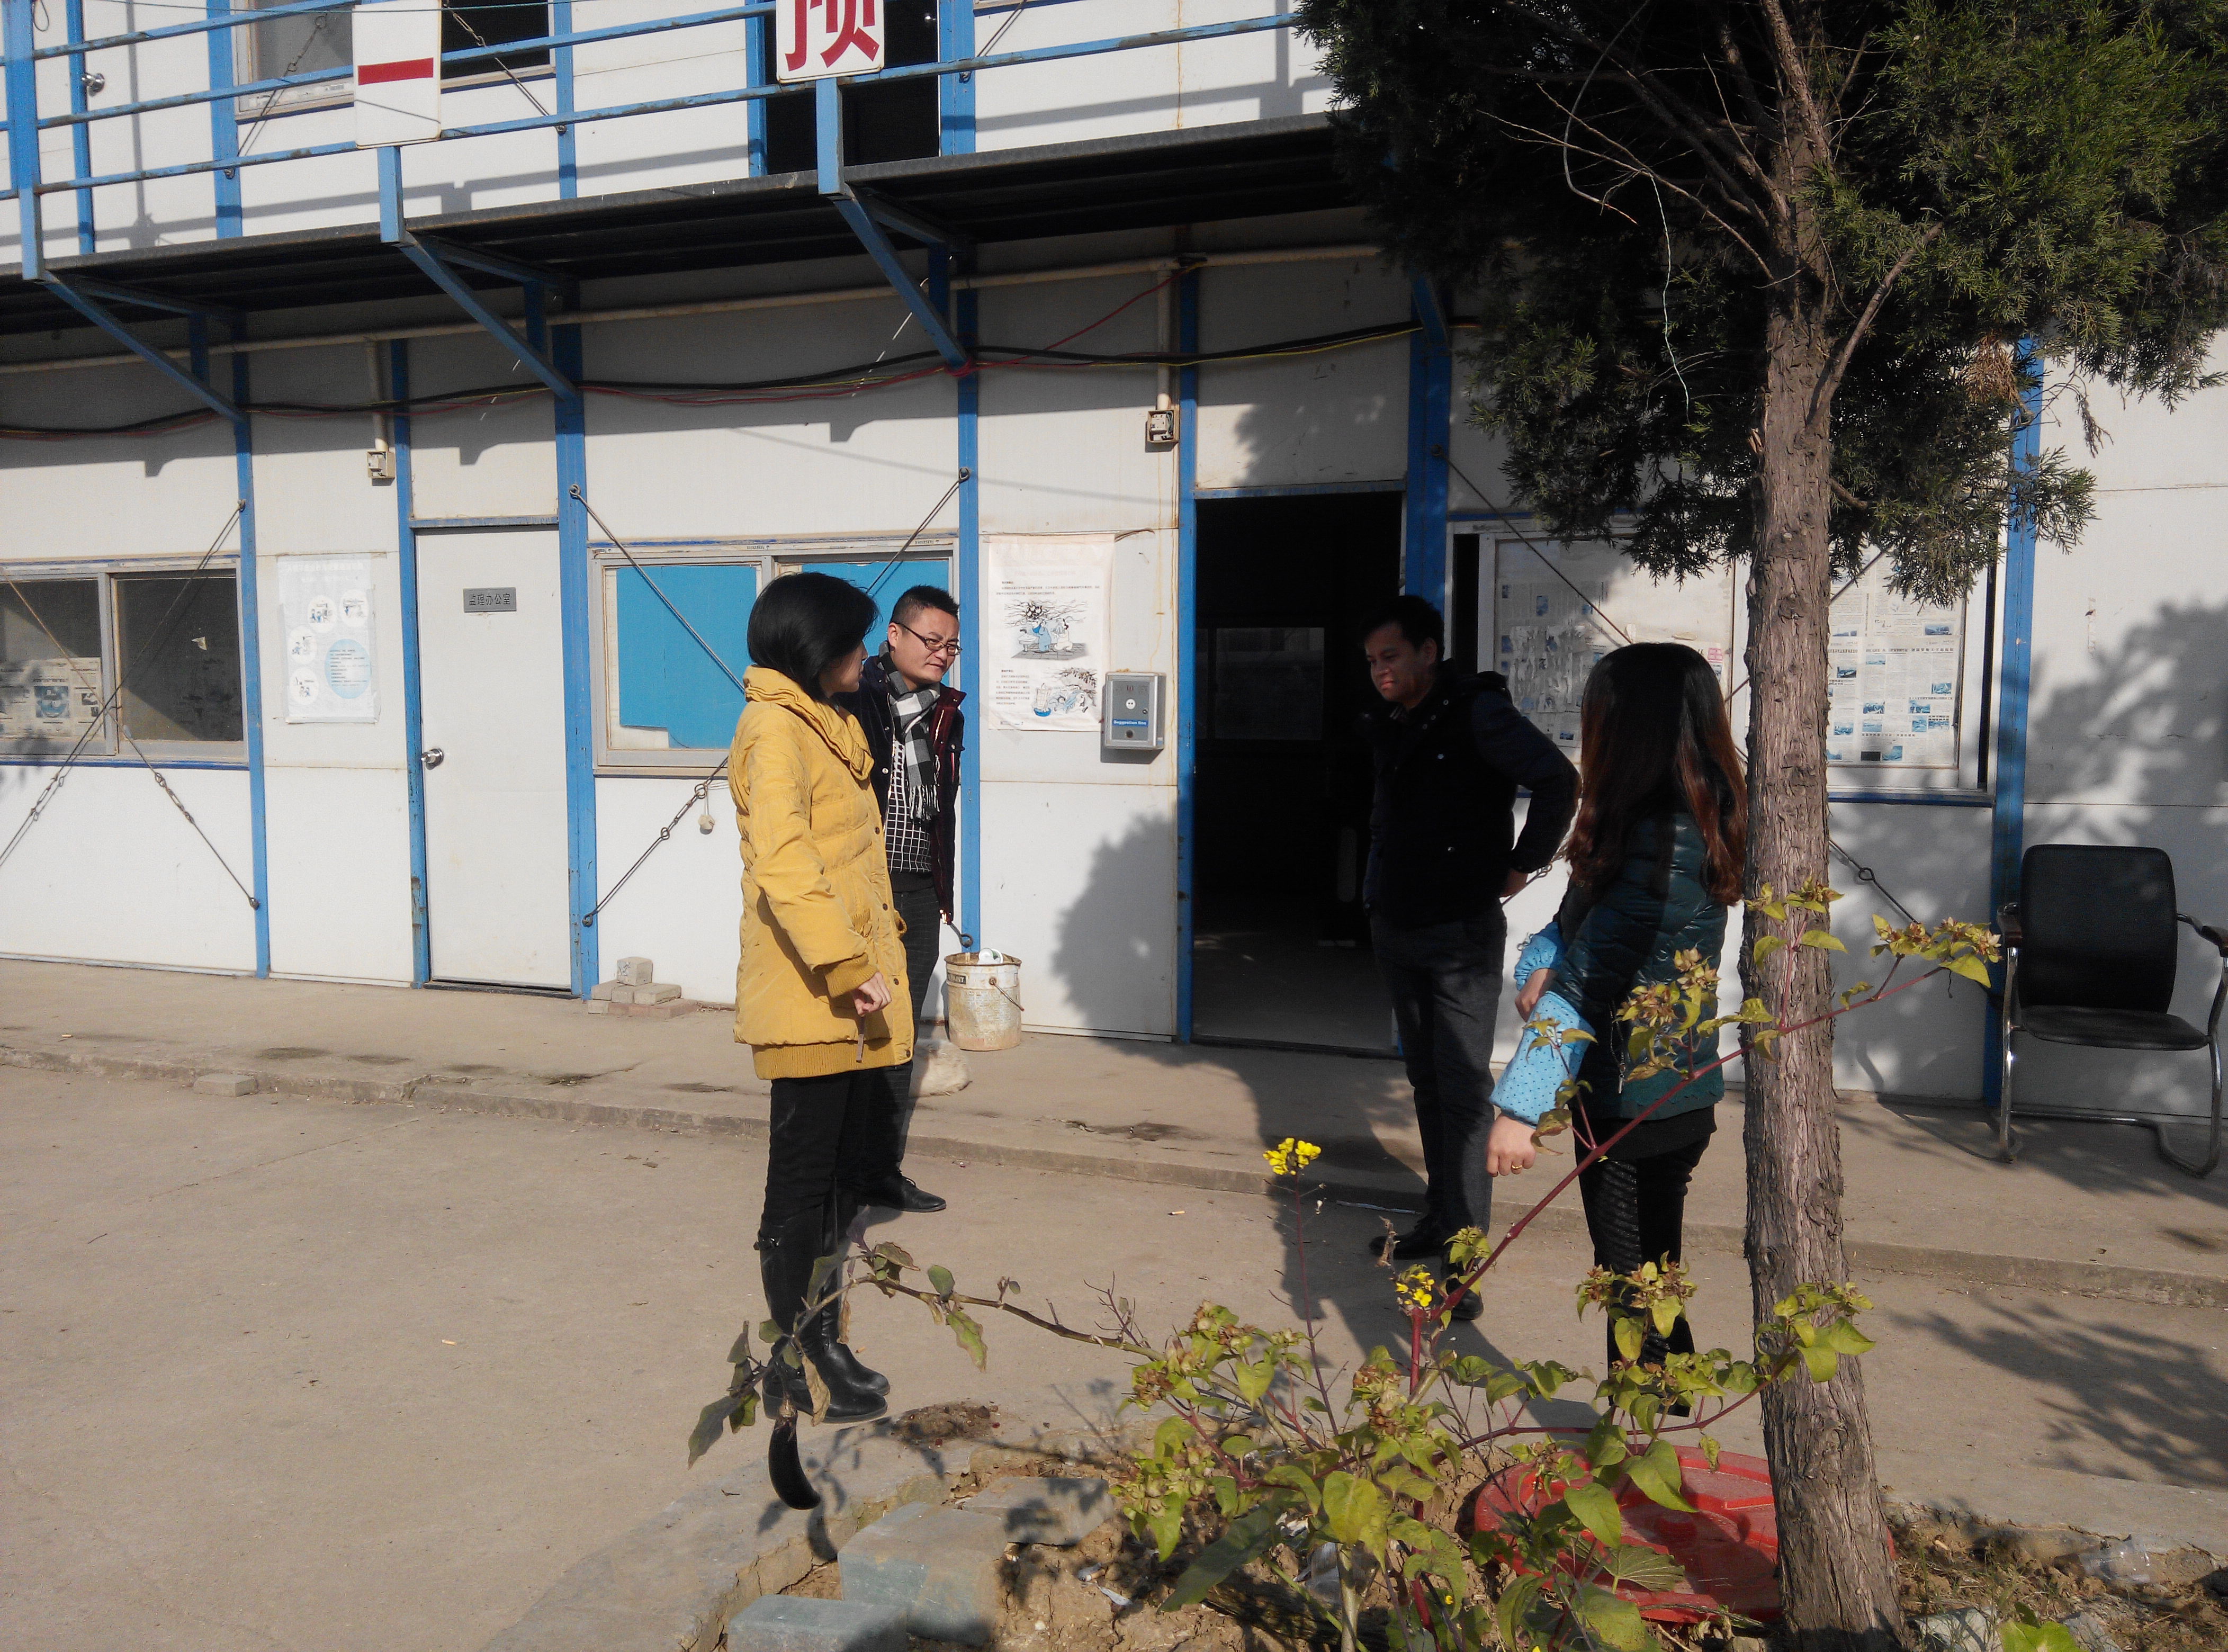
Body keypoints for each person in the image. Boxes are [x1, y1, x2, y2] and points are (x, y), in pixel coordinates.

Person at [1488, 642, 1747, 1375]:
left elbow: (1585, 984)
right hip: (1642, 1090)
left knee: (1632, 1289)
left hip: (1641, 1102)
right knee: (1645, 1280)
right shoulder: (1651, 823)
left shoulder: (1667, 841)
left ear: (1628, 729)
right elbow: (1572, 930)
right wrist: (1541, 963)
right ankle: (1662, 1414)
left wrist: (1518, 1111)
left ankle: (1647, 1424)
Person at [727, 571, 914, 1426]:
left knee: (838, 1182)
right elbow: (786, 862)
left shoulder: (823, 718)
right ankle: (796, 1355)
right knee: (801, 1185)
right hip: (812, 987)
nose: (867, 653)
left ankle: (816, 1339)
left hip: (850, 990)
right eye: (855, 639)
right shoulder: (773, 729)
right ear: (816, 645)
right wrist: (844, 964)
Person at [1359, 595, 1579, 1316]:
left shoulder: (1477, 712)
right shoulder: (1397, 720)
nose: (1380, 671)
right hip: (1398, 923)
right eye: (1372, 661)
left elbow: (1558, 780)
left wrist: (1521, 865)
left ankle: (1464, 1262)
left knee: (1460, 1090)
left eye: (1392, 656)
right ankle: (1439, 1215)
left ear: (1428, 651)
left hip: (1457, 932)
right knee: (1426, 1081)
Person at [834, 585, 966, 1216]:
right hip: (865, 885)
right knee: (851, 1027)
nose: (941, 654)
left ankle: (878, 1171)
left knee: (901, 1031)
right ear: (894, 635)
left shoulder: (945, 712)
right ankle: (834, 1174)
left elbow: (942, 812)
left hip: (915, 887)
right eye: (931, 641)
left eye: (951, 646)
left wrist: (941, 890)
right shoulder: (854, 697)